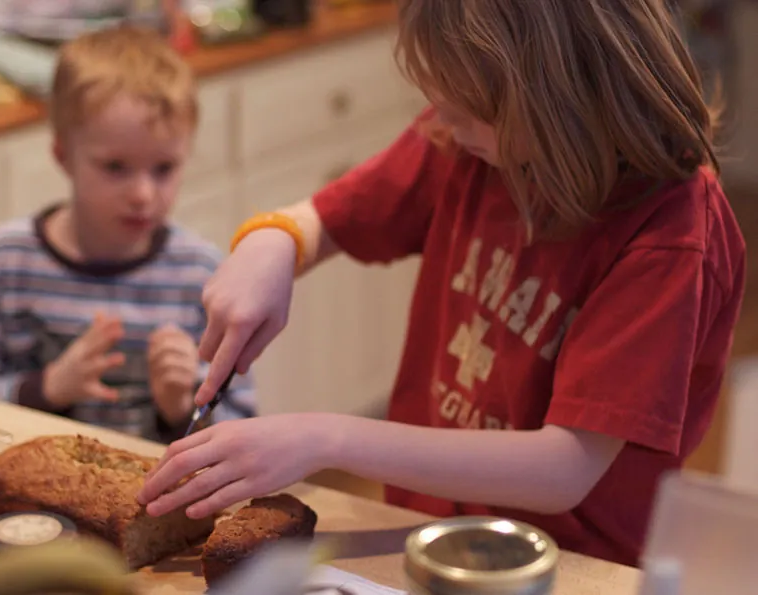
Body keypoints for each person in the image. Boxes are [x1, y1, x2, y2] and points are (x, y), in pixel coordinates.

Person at [137, 0, 747, 568]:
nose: (443, 124)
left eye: (468, 110)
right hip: (421, 529)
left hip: (569, 564)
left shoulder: (671, 234)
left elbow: (565, 467)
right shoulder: (473, 140)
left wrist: (326, 438)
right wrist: (273, 242)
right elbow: (326, 220)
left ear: (558, 97)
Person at [0, 24, 255, 443]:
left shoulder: (204, 275)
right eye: (114, 167)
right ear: (62, 156)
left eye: (164, 168)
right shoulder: (4, 264)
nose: (143, 195)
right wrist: (46, 388)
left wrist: (181, 410)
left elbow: (241, 428)